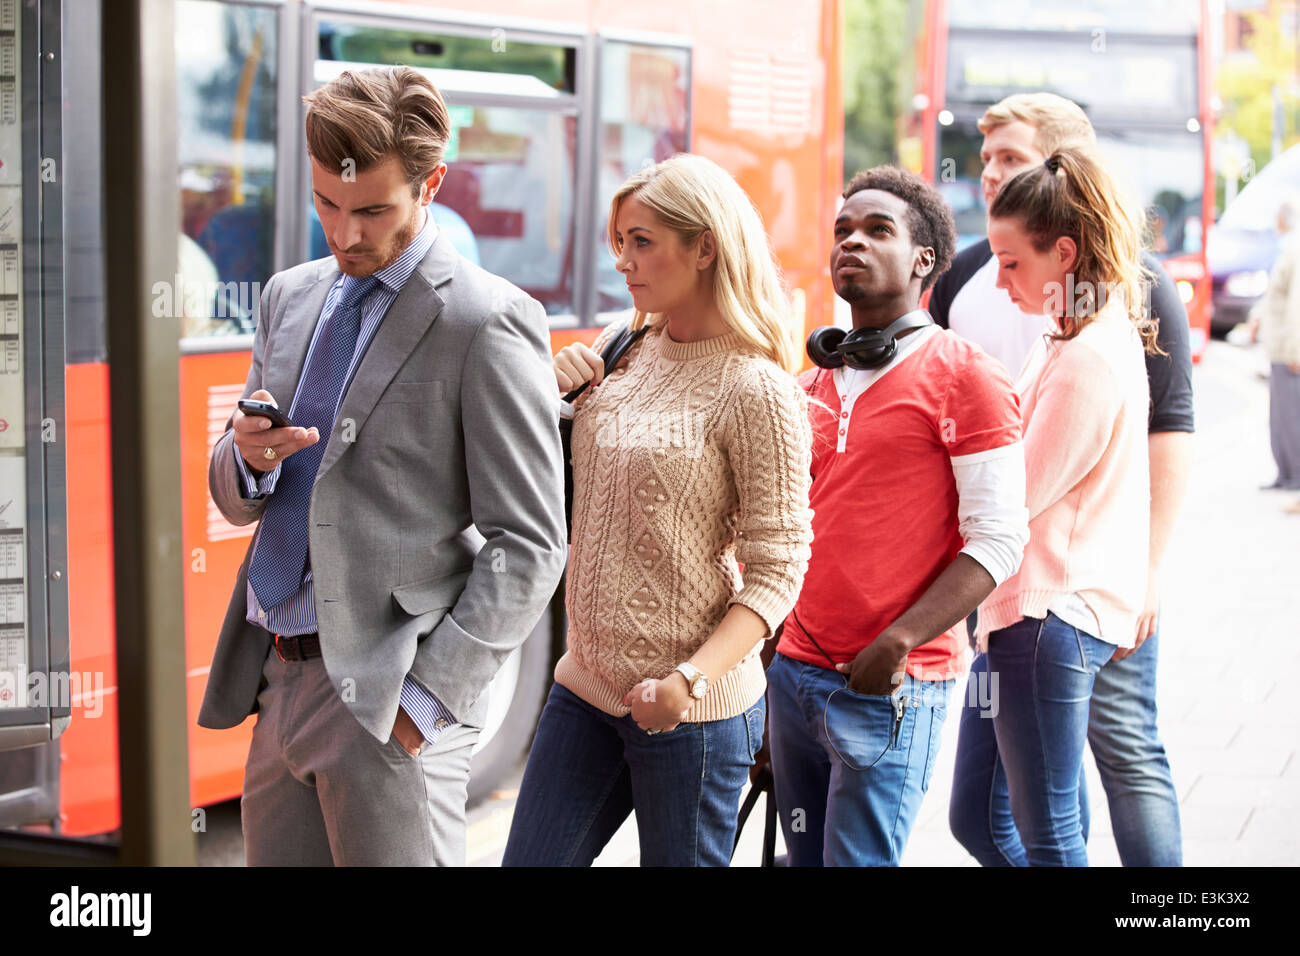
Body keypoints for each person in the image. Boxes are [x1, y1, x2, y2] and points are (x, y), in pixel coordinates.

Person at [197, 66, 567, 866]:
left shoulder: (488, 320)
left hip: (389, 698)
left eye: (372, 210)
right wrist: (250, 460)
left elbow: (532, 543)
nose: (345, 233)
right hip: (275, 679)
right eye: (326, 204)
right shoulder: (289, 298)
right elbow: (232, 493)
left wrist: (427, 704)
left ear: (431, 184)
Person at [501, 154, 814, 867]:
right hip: (585, 687)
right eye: (620, 244)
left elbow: (779, 569)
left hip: (691, 715)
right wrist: (551, 402)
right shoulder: (624, 347)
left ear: (704, 246)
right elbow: (555, 496)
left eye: (641, 241)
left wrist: (687, 683)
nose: (624, 263)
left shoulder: (757, 389)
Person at [931, 92, 1192, 867]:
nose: (1002, 279)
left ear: (1065, 254)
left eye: (1015, 263)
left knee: (1060, 828)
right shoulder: (1067, 332)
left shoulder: (1086, 353)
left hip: (1054, 612)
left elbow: (1010, 501)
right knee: (998, 820)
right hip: (1026, 614)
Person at [765, 166, 1029, 867]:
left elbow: (1001, 537)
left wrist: (900, 641)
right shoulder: (809, 383)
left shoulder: (967, 376)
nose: (852, 241)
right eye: (842, 230)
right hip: (791, 674)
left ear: (924, 260)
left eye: (878, 229)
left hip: (891, 682)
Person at [1249, 199, 1300, 495]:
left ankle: (1294, 474)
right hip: (1279, 347)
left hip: (1288, 349)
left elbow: (1296, 305)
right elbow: (1274, 298)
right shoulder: (1288, 249)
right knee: (1279, 415)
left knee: (1290, 415)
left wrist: (1295, 350)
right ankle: (1285, 472)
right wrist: (1256, 318)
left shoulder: (1295, 250)